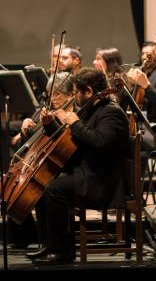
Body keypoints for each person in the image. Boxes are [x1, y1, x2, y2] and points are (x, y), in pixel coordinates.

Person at [29, 67, 129, 265]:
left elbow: (100, 143)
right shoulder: (92, 110)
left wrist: (75, 123)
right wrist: (50, 125)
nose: (74, 97)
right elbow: (70, 143)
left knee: (54, 189)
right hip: (87, 172)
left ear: (89, 92)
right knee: (42, 186)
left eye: (76, 92)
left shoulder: (112, 114)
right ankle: (49, 244)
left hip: (102, 180)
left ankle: (62, 252)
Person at [7, 72, 74, 251]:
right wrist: (25, 131)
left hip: (64, 165)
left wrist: (52, 123)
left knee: (44, 188)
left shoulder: (72, 113)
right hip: (40, 162)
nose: (52, 98)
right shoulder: (46, 112)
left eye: (57, 94)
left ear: (70, 94)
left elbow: (64, 141)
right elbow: (28, 146)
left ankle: (47, 242)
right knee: (10, 186)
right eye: (50, 93)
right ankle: (26, 234)